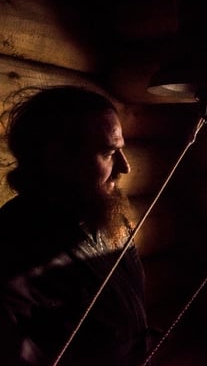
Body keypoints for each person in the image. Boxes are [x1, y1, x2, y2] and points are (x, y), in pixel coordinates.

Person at [0, 86, 151, 365]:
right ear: (57, 158)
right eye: (108, 152)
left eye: (121, 150)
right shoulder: (15, 242)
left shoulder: (104, 218)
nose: (125, 167)